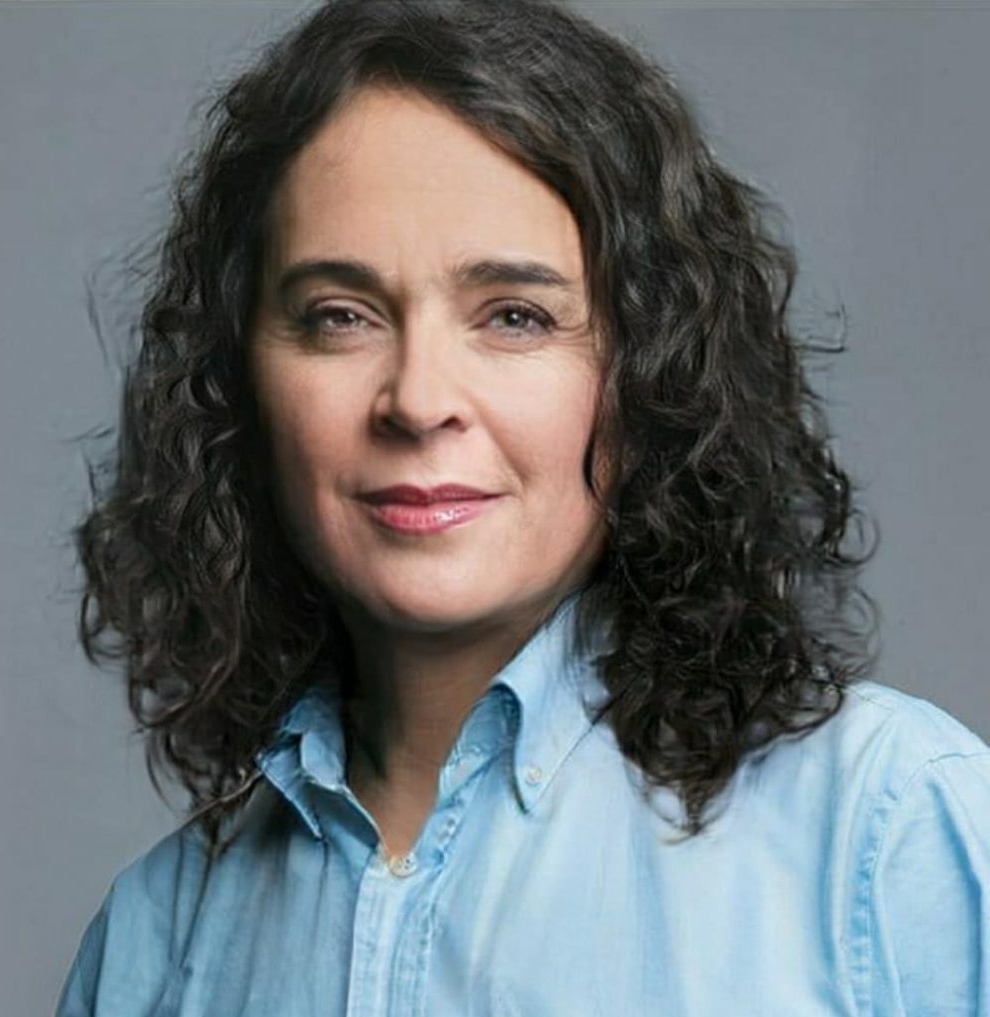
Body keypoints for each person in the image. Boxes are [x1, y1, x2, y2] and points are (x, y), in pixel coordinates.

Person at [56, 0, 990, 1014]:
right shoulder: (156, 939)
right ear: (241, 377)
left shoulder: (888, 832)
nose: (418, 400)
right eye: (340, 316)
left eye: (515, 316)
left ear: (649, 369)